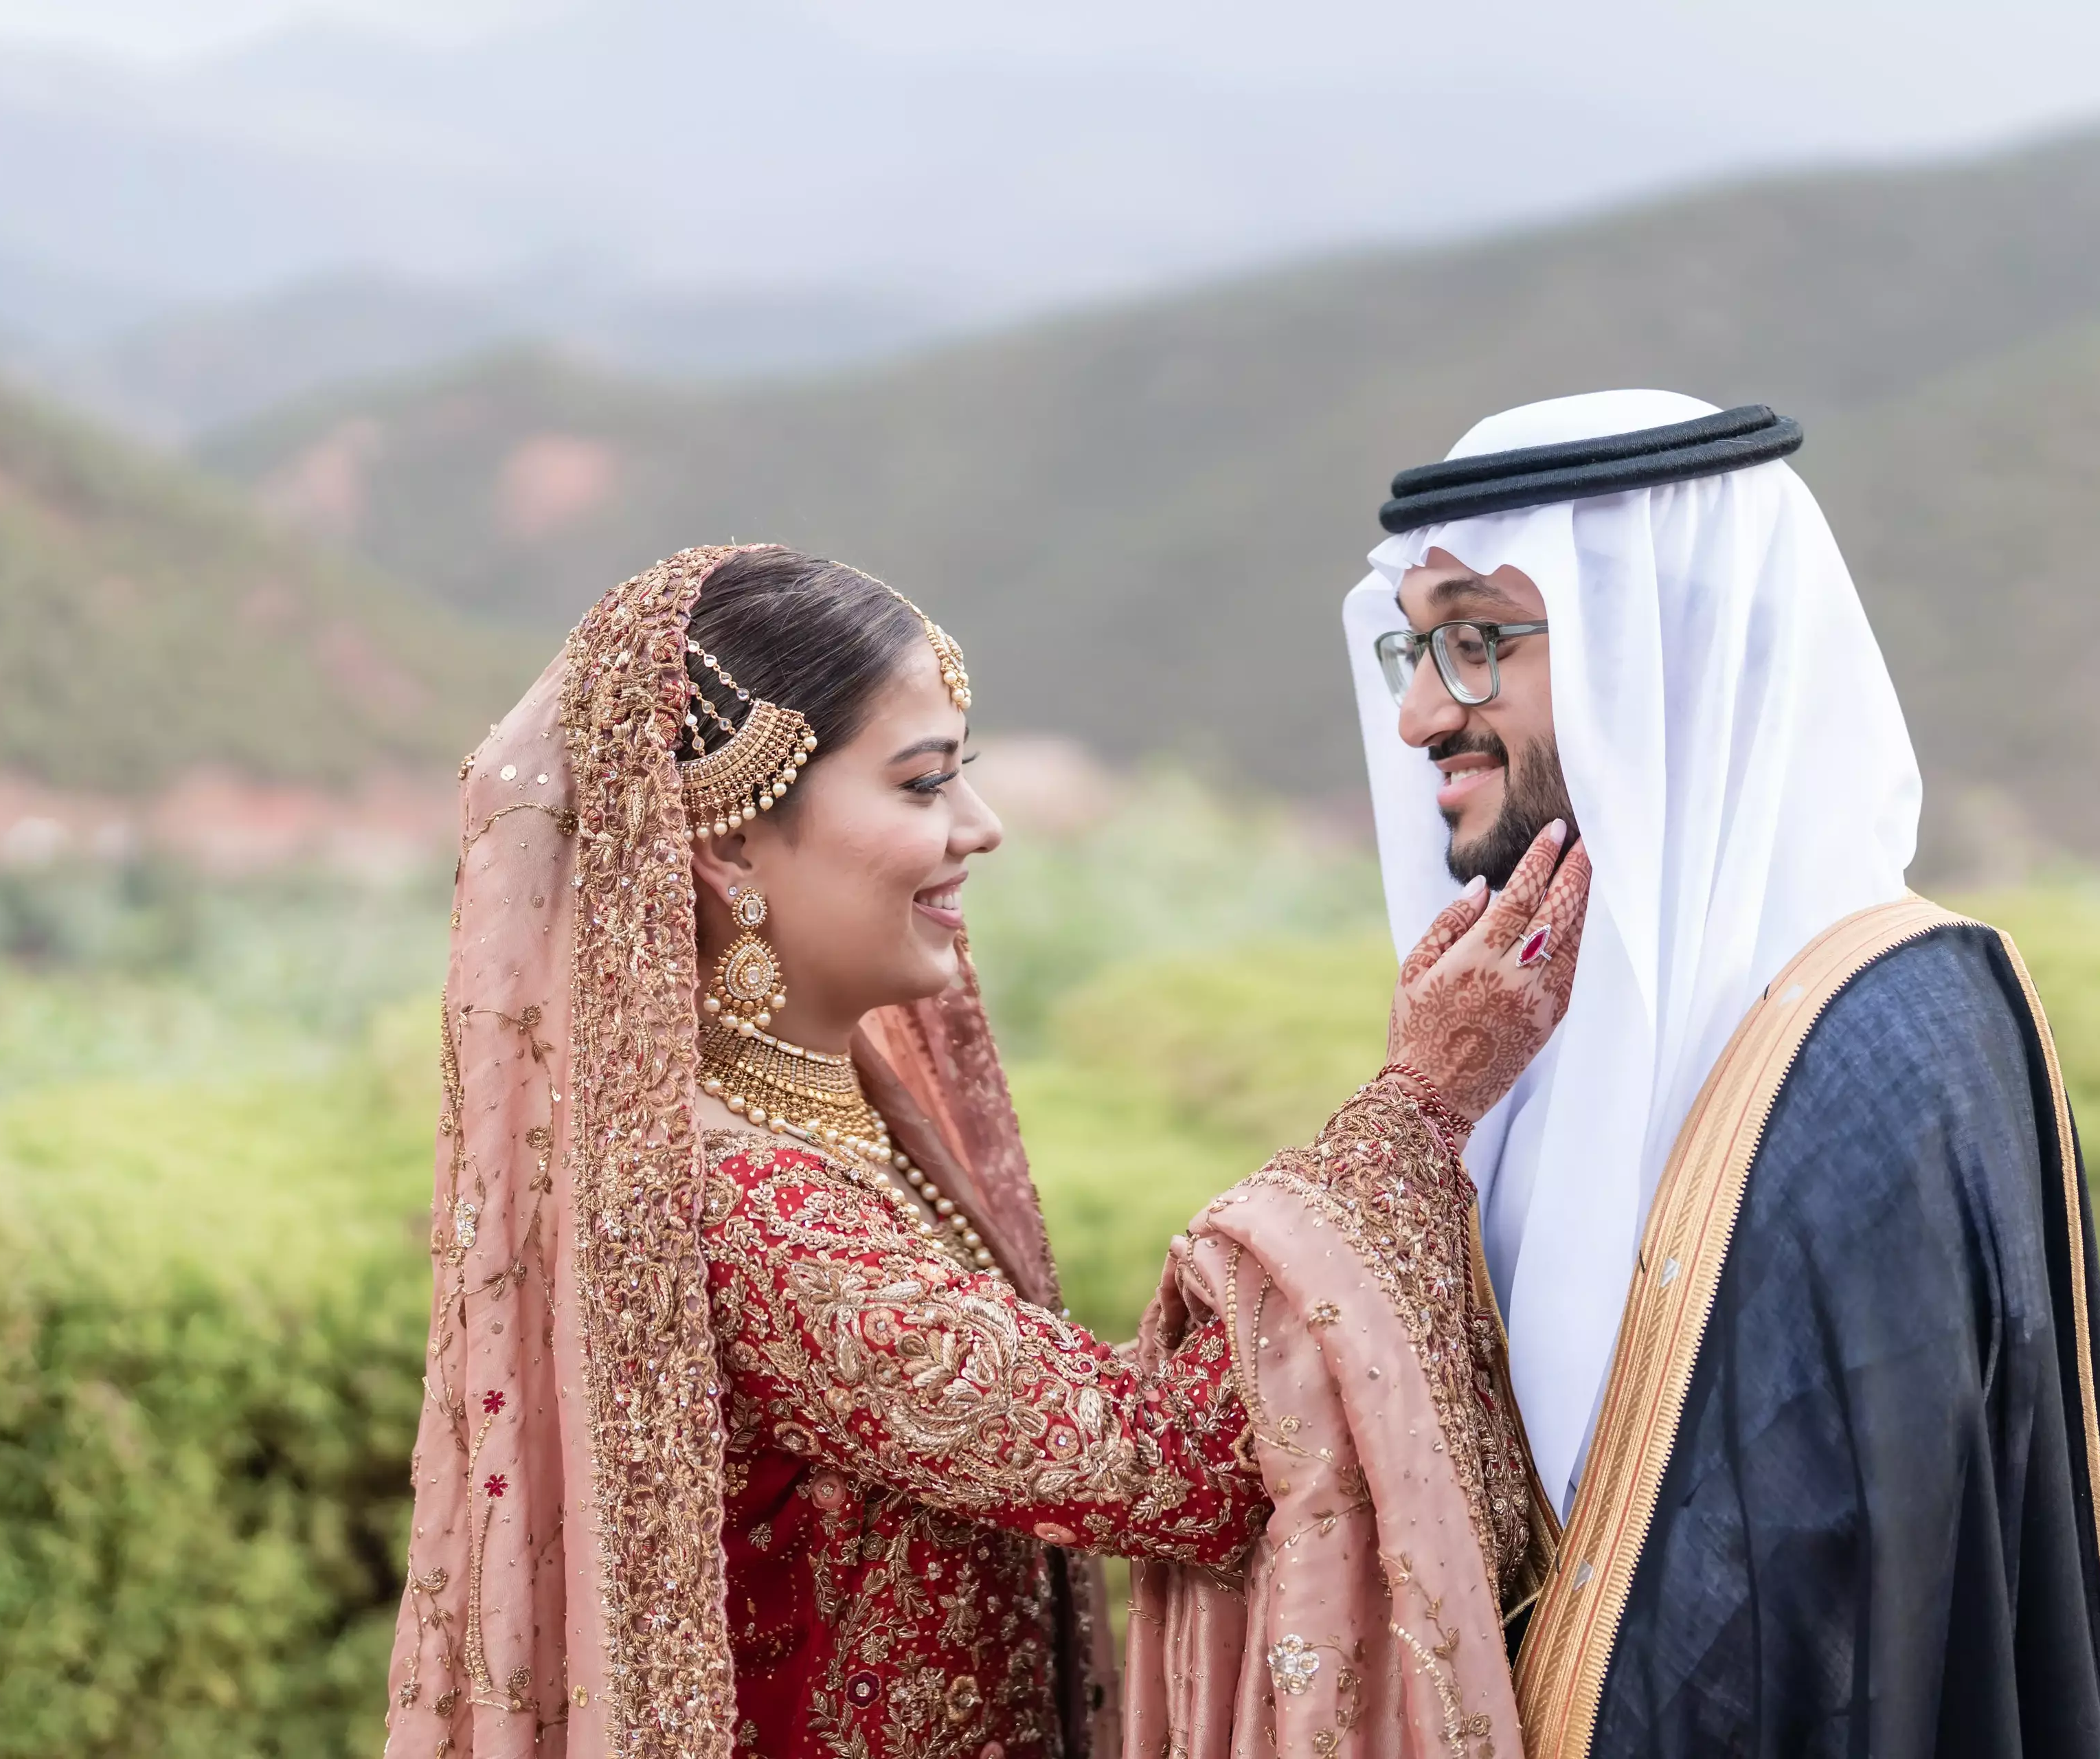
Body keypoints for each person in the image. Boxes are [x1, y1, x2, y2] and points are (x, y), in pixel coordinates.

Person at [384, 544, 1586, 1759]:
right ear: (730, 841)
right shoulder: (746, 1206)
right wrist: (1421, 1106)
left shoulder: (835, 1125)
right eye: (921, 787)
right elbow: (1172, 1462)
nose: (983, 827)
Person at [1341, 393, 2100, 1758]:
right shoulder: (1513, 1037)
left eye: (1480, 639)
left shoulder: (1893, 1037)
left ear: (1661, 648)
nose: (1425, 711)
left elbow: (1862, 1613)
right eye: (1418, 648)